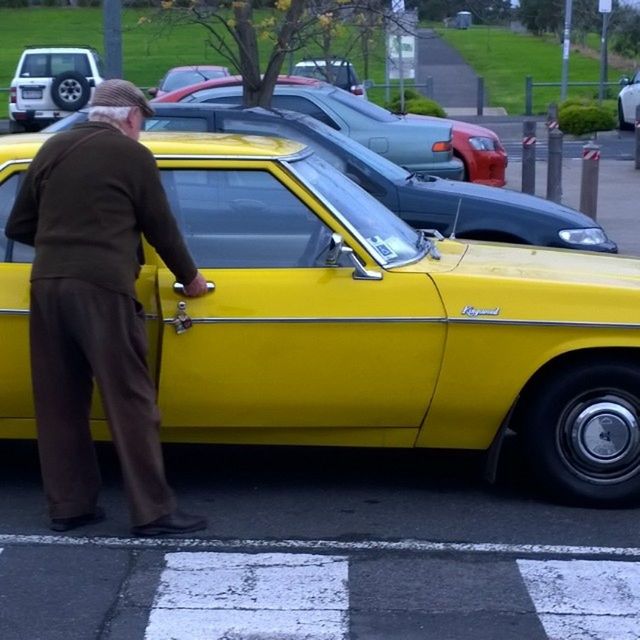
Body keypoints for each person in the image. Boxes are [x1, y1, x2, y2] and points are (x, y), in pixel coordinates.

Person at [5, 79, 210, 537]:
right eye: (142, 124)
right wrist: (190, 278)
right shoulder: (132, 156)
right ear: (132, 118)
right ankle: (153, 511)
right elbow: (162, 227)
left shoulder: (52, 148)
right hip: (102, 287)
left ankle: (70, 508)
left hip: (48, 285)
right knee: (130, 399)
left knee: (59, 400)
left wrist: (64, 243)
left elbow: (20, 224)